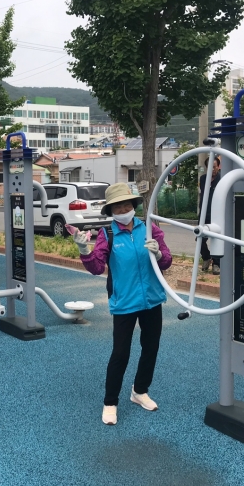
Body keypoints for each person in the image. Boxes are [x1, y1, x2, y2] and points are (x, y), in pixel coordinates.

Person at [73, 183, 172, 426]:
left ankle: (140, 391)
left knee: (151, 347)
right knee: (120, 353)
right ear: (110, 211)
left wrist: (159, 254)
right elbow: (97, 267)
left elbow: (166, 261)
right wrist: (84, 249)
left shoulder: (149, 229)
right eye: (117, 207)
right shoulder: (107, 234)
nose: (123, 210)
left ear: (134, 206)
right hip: (125, 302)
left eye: (127, 205)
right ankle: (110, 402)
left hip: (152, 299)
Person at [199, 156, 221, 275]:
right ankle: (206, 258)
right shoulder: (203, 179)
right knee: (200, 237)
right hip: (204, 213)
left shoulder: (222, 178)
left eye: (214, 167)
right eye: (209, 167)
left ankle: (216, 264)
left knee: (216, 239)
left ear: (218, 166)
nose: (212, 169)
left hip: (217, 213)